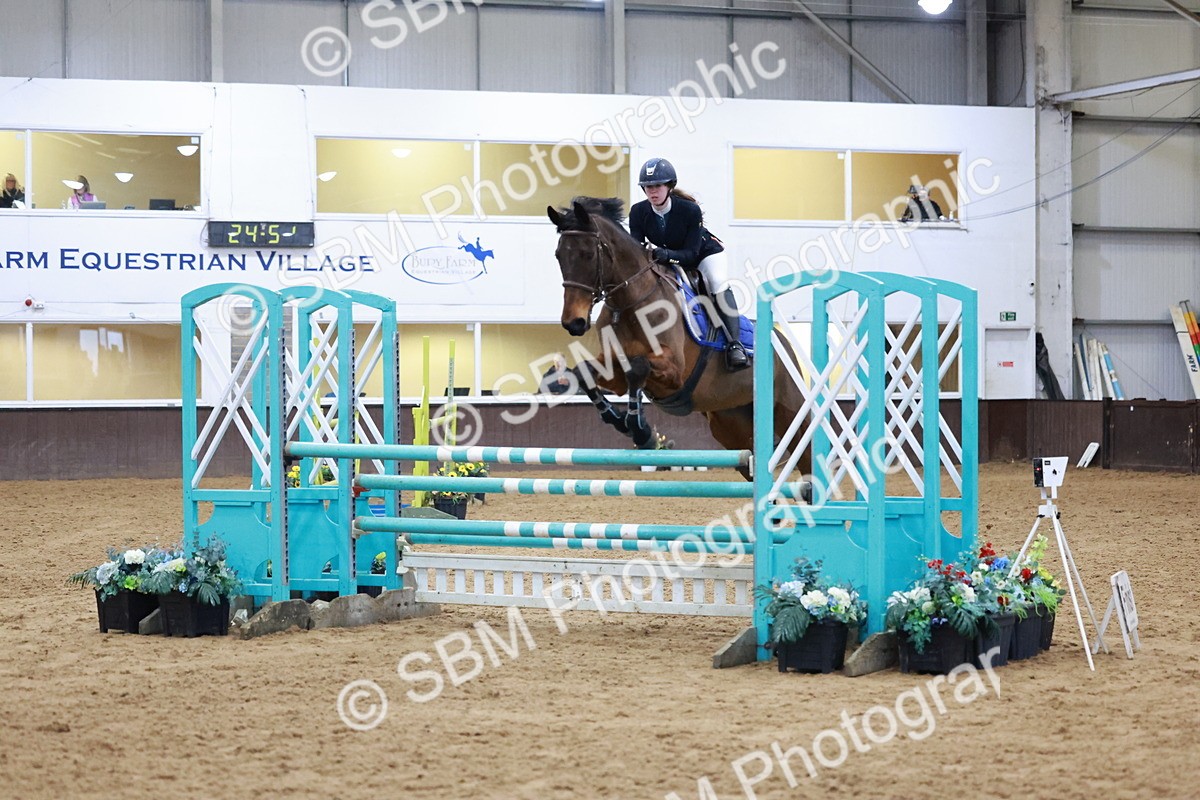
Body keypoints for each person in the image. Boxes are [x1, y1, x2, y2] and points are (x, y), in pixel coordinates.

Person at [628, 157, 748, 371]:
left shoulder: (689, 210)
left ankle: (735, 344)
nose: (652, 192)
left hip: (704, 254)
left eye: (657, 186)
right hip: (669, 256)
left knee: (717, 282)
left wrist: (666, 255)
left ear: (669, 186)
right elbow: (636, 250)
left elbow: (691, 254)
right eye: (648, 187)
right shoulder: (638, 212)